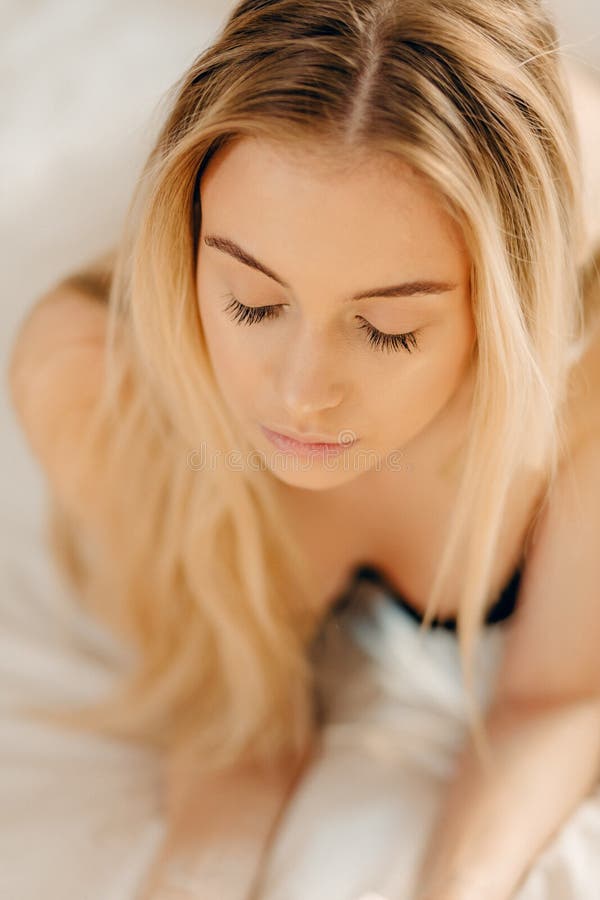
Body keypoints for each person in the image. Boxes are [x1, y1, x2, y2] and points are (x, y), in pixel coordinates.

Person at [7, 1, 600, 898]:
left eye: (388, 329)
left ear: (498, 313)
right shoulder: (94, 378)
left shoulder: (579, 389)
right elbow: (227, 701)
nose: (298, 393)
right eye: (251, 302)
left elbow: (556, 697)